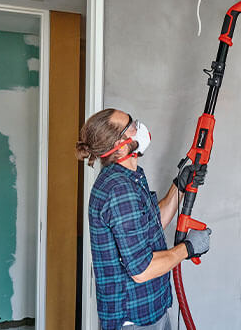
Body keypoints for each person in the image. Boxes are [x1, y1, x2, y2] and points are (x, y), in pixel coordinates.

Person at [76, 108, 211, 330]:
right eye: (131, 125)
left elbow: (150, 225)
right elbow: (142, 270)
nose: (138, 126)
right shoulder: (119, 190)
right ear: (118, 146)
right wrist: (188, 248)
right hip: (135, 320)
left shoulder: (128, 179)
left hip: (149, 311)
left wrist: (180, 186)